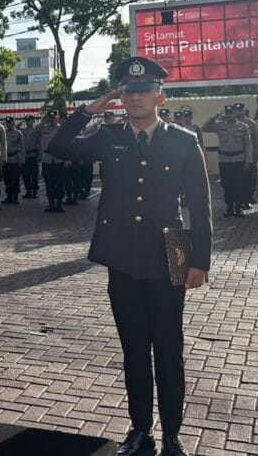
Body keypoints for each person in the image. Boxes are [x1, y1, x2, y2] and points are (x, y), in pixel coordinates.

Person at [46, 56, 211, 456]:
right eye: (128, 92)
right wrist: (92, 107)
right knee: (134, 349)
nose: (135, 98)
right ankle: (141, 431)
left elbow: (199, 205)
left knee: (169, 349)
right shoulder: (109, 134)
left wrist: (199, 260)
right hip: (122, 256)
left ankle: (172, 433)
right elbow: (58, 146)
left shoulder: (183, 140)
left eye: (143, 91)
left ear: (160, 95)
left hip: (169, 254)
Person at [201, 106, 253, 218]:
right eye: (227, 113)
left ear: (236, 113)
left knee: (239, 185)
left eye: (232, 112)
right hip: (225, 160)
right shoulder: (219, 124)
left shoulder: (243, 127)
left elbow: (248, 145)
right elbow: (204, 128)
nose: (229, 115)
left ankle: (238, 208)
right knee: (227, 185)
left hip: (239, 160)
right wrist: (213, 118)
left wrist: (248, 160)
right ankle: (229, 208)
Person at [36, 111, 66, 213]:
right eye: (51, 118)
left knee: (60, 183)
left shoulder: (62, 129)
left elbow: (67, 144)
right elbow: (33, 133)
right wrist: (43, 121)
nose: (53, 119)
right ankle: (51, 203)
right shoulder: (44, 129)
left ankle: (59, 204)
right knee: (49, 183)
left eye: (54, 118)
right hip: (47, 160)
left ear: (58, 118)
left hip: (59, 159)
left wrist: (67, 159)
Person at [235, 104, 258, 208]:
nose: (238, 112)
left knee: (249, 179)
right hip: (235, 157)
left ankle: (247, 199)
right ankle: (238, 200)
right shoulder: (229, 122)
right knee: (236, 180)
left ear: (244, 111)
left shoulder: (251, 123)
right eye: (236, 110)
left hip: (249, 156)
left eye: (240, 110)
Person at [2, 117, 24, 204]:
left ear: (14, 123)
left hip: (15, 159)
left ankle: (15, 197)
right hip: (6, 159)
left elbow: (22, 148)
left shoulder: (18, 133)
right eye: (7, 123)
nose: (8, 124)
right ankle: (8, 196)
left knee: (15, 179)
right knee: (7, 179)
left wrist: (21, 160)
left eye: (10, 123)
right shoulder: (3, 133)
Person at [21, 115, 41, 199]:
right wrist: (20, 123)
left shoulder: (36, 131)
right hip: (25, 156)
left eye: (30, 120)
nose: (28, 122)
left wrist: (40, 156)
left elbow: (40, 144)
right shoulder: (23, 131)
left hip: (33, 155)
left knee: (34, 175)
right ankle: (28, 191)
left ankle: (34, 192)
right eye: (27, 120)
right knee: (26, 175)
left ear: (33, 121)